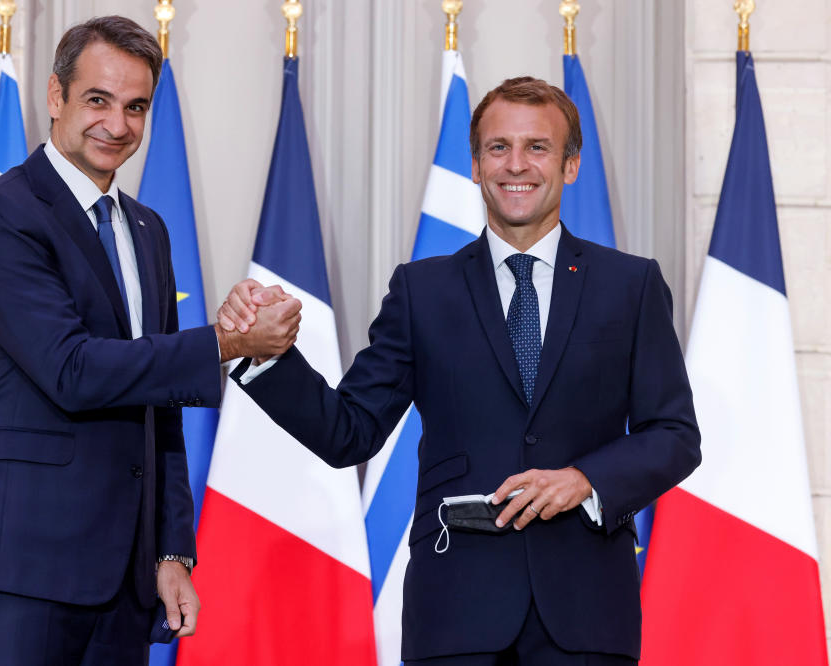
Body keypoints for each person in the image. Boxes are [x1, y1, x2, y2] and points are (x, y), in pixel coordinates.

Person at [219, 77, 701, 665]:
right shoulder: (422, 290)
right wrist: (265, 353)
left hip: (588, 612)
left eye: (537, 147)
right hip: (454, 615)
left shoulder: (631, 285)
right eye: (498, 148)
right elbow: (348, 431)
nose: (516, 165)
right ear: (475, 166)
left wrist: (583, 479)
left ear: (570, 165)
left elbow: (674, 435)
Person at [0, 16, 300, 666]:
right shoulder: (1, 217)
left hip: (124, 580)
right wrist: (225, 342)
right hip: (21, 569)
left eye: (136, 107)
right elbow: (72, 370)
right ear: (56, 96)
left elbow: (159, 407)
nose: (118, 124)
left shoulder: (147, 230)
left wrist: (170, 552)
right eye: (97, 100)